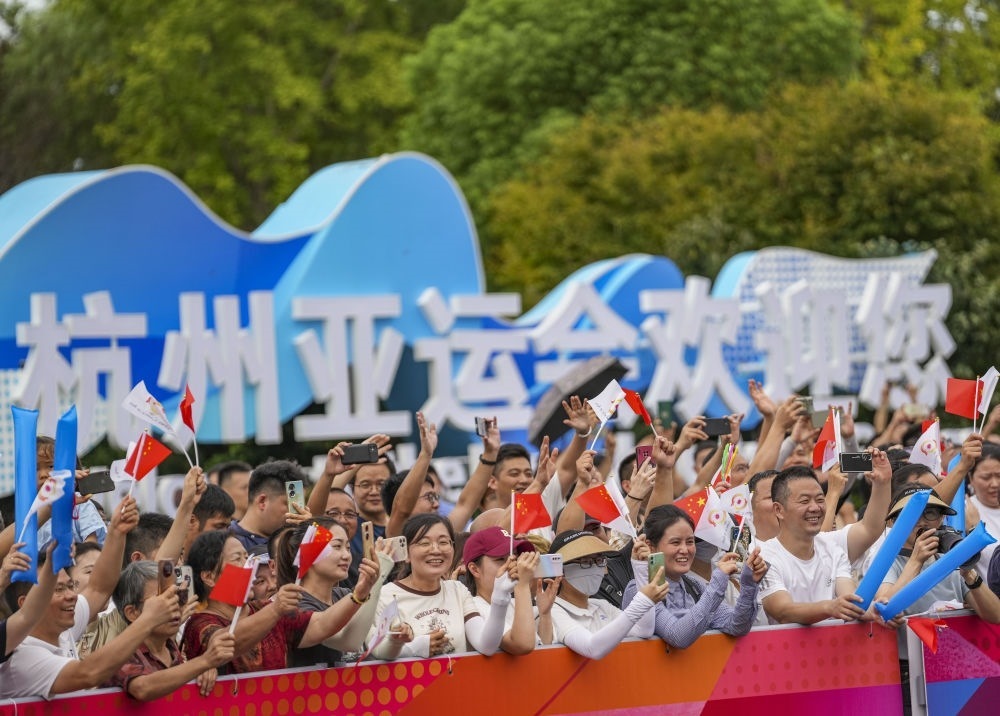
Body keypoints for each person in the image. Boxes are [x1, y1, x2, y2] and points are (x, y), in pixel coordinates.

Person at [181, 529, 376, 674]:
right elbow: (225, 644)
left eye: (247, 557)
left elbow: (321, 624)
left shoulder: (264, 609)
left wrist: (359, 594)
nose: (248, 566)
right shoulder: (199, 624)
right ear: (209, 577)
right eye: (237, 559)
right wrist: (275, 610)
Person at [370, 514, 513, 659]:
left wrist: (500, 596)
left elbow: (486, 645)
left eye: (443, 542)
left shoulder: (457, 590)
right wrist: (414, 646)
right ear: (406, 553)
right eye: (424, 543)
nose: (436, 550)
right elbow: (375, 651)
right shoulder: (385, 595)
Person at [622, 506, 765, 648]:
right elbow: (678, 636)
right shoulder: (638, 590)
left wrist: (749, 584)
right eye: (675, 542)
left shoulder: (695, 586)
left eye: (690, 542)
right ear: (651, 546)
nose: (685, 550)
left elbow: (736, 625)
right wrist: (718, 581)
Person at [106, 561, 235, 701]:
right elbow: (143, 688)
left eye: (179, 597)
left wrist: (202, 672)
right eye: (163, 601)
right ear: (132, 613)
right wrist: (204, 662)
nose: (175, 606)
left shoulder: (170, 646)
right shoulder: (120, 653)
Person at [759, 469, 870, 625]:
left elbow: (850, 600)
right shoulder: (764, 557)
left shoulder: (832, 548)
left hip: (833, 640)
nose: (815, 508)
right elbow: (783, 611)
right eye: (804, 501)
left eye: (819, 499)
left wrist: (877, 610)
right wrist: (828, 608)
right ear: (779, 510)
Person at [547, 530, 667, 659]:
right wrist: (643, 601)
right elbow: (592, 648)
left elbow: (643, 630)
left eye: (599, 560)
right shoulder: (551, 610)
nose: (594, 567)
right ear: (561, 570)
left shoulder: (601, 605)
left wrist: (640, 567)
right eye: (585, 562)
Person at [460, 526, 559, 654]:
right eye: (500, 559)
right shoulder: (474, 607)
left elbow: (543, 649)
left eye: (515, 557)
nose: (513, 564)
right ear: (475, 569)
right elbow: (522, 645)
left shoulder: (514, 602)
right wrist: (522, 584)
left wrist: (545, 614)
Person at [0, 543, 58, 663]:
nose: (70, 596)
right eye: (59, 589)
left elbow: (96, 591)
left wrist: (3, 577)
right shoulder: (21, 656)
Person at [231, 461, 303, 551]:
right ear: (262, 501)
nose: (297, 512)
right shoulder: (227, 542)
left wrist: (308, 532)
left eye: (301, 505)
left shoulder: (294, 540)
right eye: (291, 505)